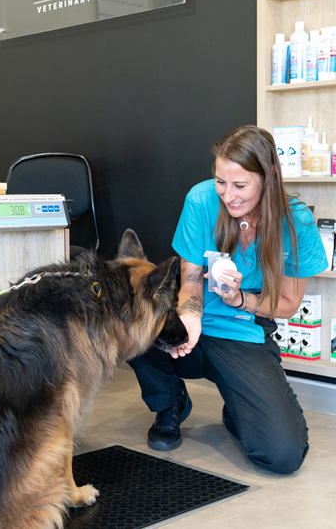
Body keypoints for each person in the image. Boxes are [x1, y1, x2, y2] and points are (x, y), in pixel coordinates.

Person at [129, 125, 328, 475]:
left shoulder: (296, 223)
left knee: (281, 455)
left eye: (240, 185)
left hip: (242, 333)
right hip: (198, 322)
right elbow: (190, 282)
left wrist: (239, 299)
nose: (228, 195)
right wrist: (189, 319)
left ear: (268, 178)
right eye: (221, 182)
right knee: (128, 320)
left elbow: (287, 304)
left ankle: (238, 409)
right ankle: (169, 400)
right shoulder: (201, 200)